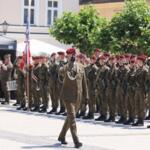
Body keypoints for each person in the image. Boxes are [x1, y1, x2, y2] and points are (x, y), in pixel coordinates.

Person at [58, 48, 89, 148]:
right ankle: (76, 141)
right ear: (68, 56)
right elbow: (61, 73)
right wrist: (70, 64)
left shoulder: (81, 66)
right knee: (72, 118)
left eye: (74, 54)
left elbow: (84, 83)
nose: (73, 56)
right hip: (68, 96)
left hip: (78, 97)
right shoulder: (65, 67)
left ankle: (62, 136)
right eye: (71, 55)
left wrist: (86, 96)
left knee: (70, 118)